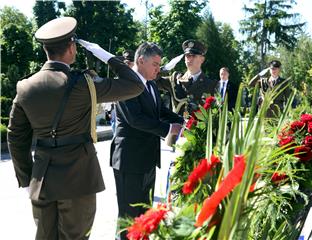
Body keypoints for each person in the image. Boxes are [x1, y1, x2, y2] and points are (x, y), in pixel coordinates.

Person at [7, 17, 144, 240]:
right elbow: (135, 85)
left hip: (41, 180)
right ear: (71, 48)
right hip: (78, 179)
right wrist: (108, 57)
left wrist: (27, 178)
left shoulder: (25, 87)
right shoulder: (83, 83)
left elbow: (16, 137)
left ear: (45, 50)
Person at [109, 42, 184, 239]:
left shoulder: (150, 83)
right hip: (130, 161)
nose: (159, 69)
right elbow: (135, 119)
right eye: (156, 64)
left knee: (144, 215)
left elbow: (160, 110)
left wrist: (182, 122)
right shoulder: (125, 83)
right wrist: (169, 129)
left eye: (159, 65)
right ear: (141, 60)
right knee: (128, 218)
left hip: (147, 159)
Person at [156, 39, 217, 116]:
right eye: (187, 55)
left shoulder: (211, 85)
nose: (189, 59)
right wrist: (164, 69)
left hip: (198, 127)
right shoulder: (175, 79)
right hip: (176, 126)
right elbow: (152, 80)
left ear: (202, 59)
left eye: (193, 56)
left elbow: (215, 112)